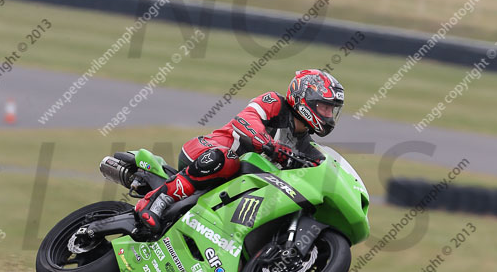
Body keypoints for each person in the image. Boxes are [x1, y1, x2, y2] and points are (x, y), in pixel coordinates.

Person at [134, 69, 344, 233]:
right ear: (304, 99)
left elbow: (320, 169)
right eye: (324, 107)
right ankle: (154, 201)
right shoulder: (274, 103)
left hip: (237, 183)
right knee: (227, 159)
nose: (328, 115)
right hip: (208, 152)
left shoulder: (305, 145)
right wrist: (270, 146)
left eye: (331, 110)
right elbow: (244, 121)